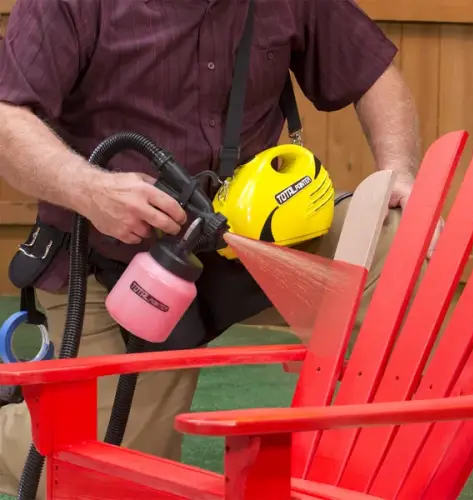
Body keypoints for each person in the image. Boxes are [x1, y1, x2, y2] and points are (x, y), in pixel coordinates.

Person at [0, 0, 440, 497]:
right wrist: (91, 189)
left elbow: (373, 74)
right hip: (112, 258)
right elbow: (7, 119)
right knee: (109, 471)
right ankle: (14, 426)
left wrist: (400, 171)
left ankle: (382, 467)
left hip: (258, 239)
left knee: (401, 245)